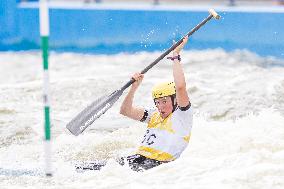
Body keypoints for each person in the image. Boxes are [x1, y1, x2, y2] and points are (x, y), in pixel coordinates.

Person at [75, 36, 193, 172]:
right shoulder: (153, 115)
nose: (160, 106)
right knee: (82, 168)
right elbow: (125, 110)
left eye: (164, 101)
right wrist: (134, 88)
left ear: (175, 100)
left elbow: (180, 87)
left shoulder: (183, 116)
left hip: (156, 165)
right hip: (135, 159)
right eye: (157, 102)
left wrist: (176, 56)